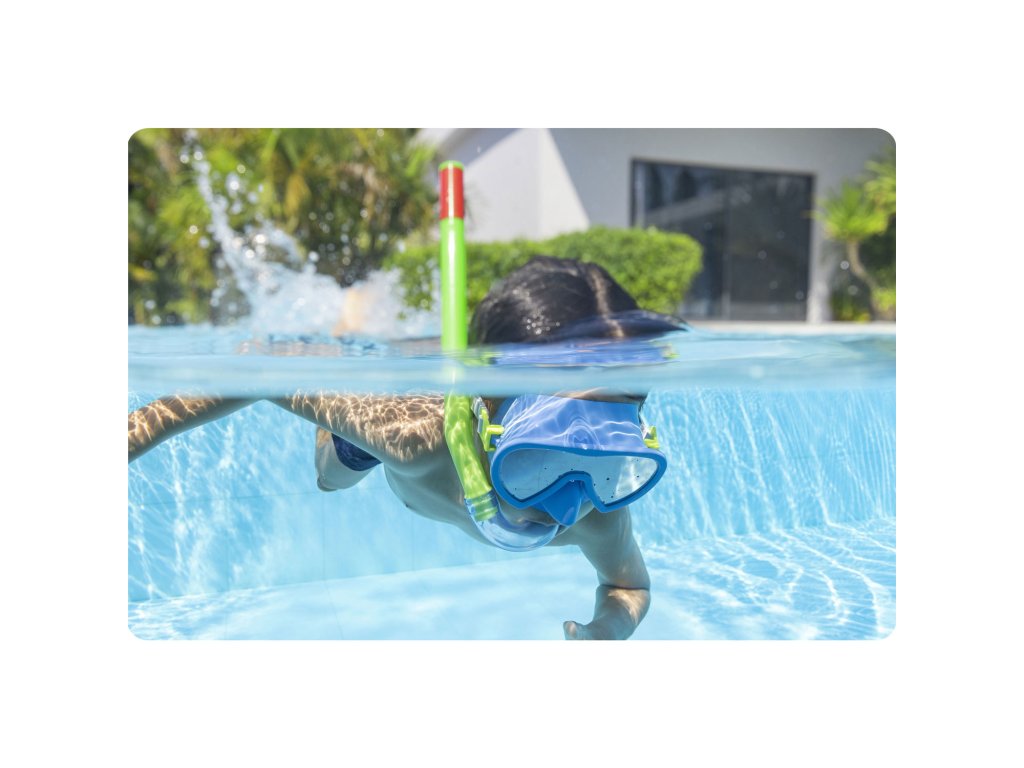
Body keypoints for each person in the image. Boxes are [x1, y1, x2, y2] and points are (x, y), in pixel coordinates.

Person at [128, 256, 686, 640]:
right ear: (488, 410)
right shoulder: (411, 440)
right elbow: (256, 366)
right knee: (331, 477)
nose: (569, 503)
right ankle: (348, 328)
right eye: (542, 457)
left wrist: (604, 632)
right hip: (386, 423)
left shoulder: (596, 507)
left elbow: (629, 586)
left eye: (609, 457)